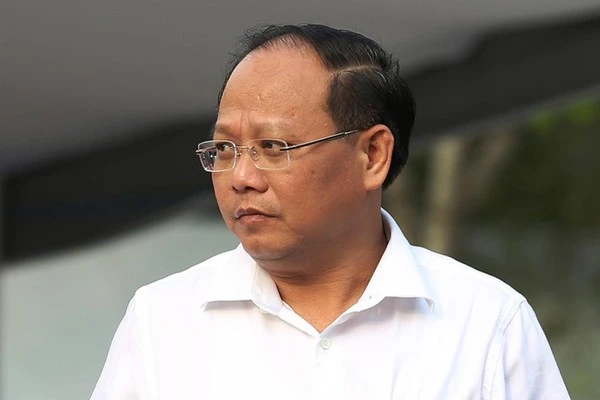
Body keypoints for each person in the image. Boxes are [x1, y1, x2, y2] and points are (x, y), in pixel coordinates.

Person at [91, 24, 570, 399]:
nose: (241, 176)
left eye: (274, 147)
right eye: (224, 149)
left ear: (373, 155)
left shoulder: (485, 323)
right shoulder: (162, 321)